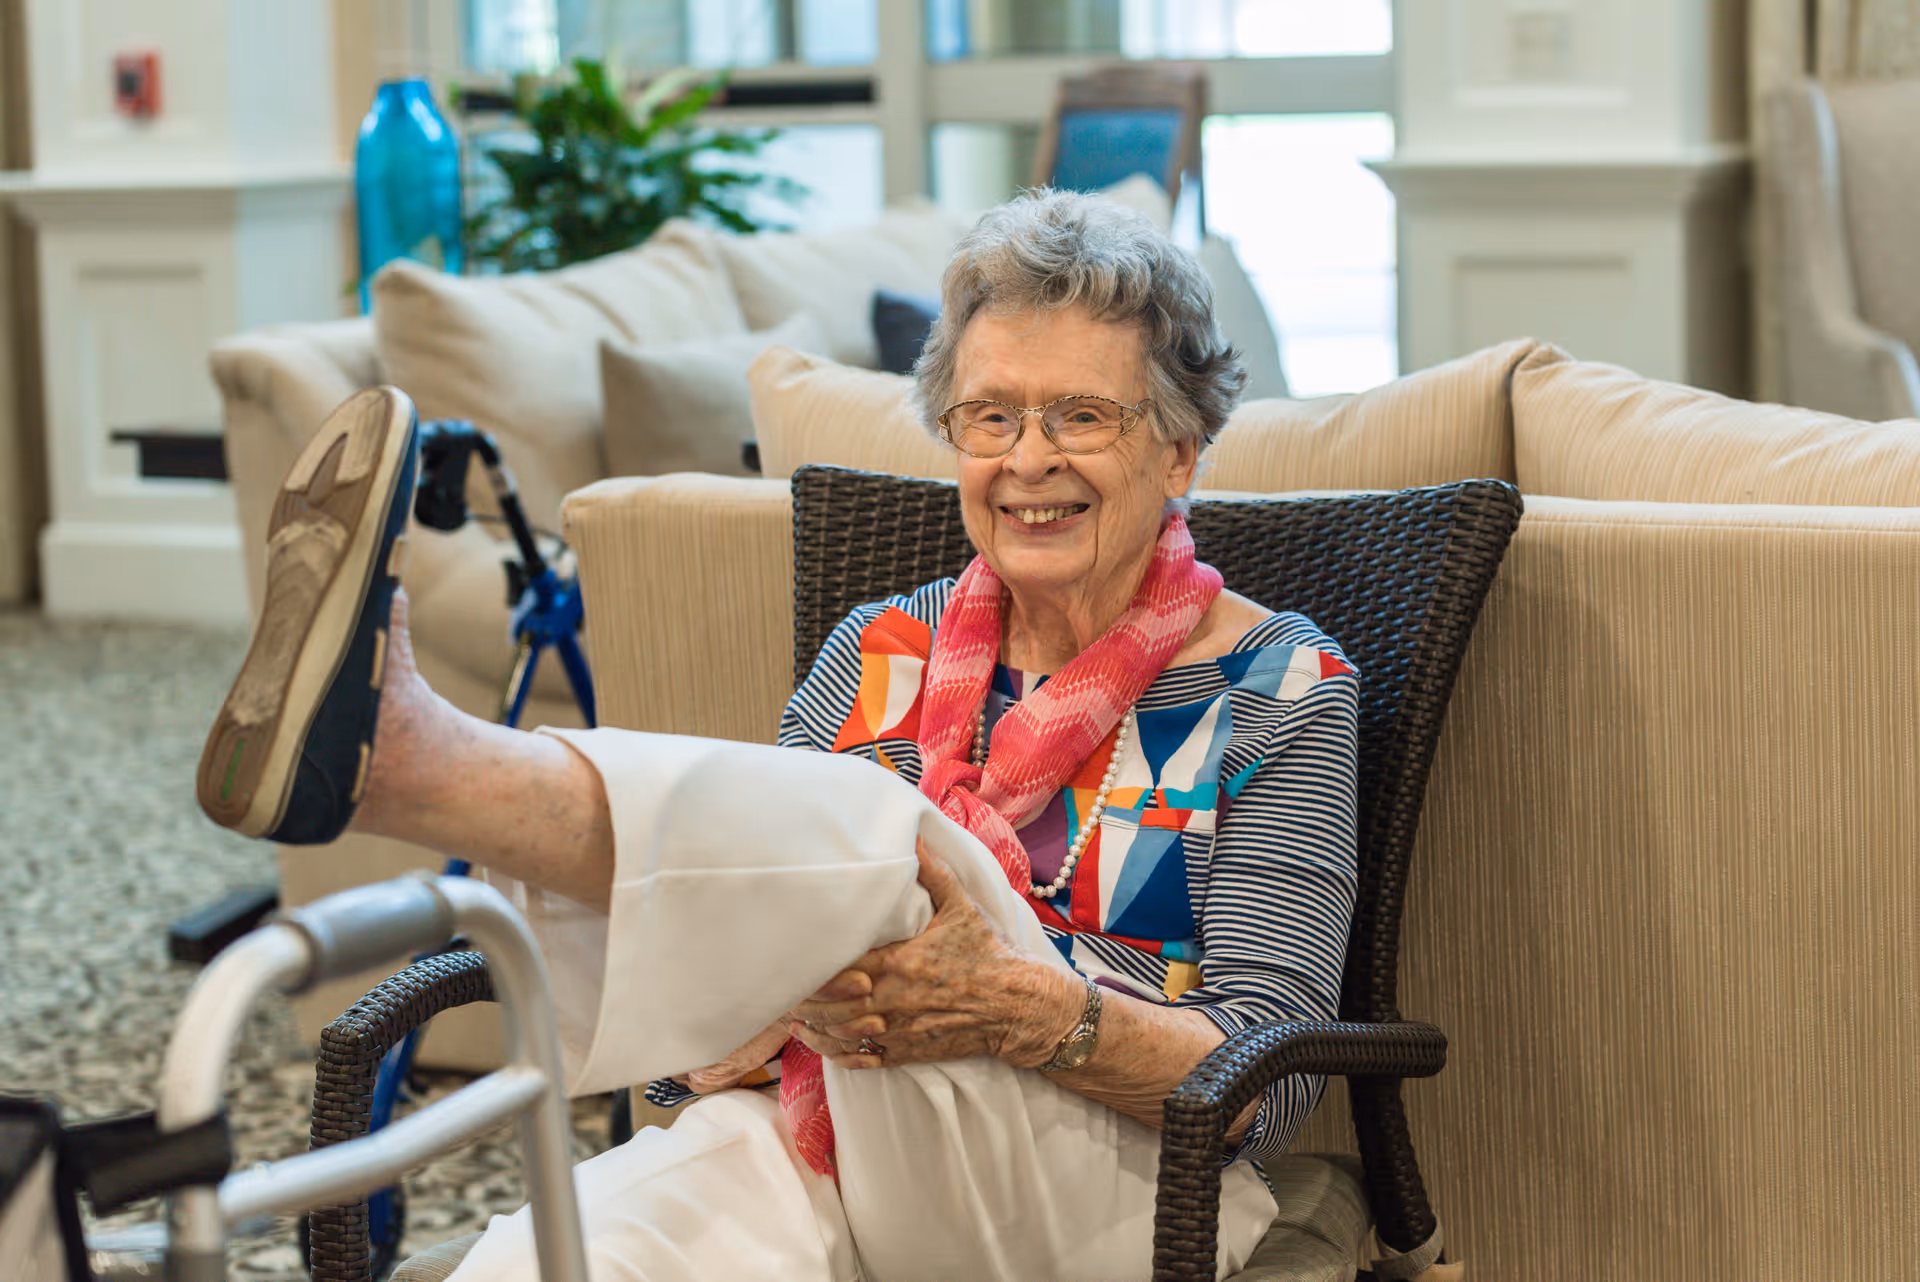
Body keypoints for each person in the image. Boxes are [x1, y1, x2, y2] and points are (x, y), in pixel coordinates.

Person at [197, 189, 1361, 1281]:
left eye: (1084, 416)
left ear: (1178, 449)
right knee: (556, 1252)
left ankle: (422, 767)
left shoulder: (1281, 687)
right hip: (828, 1119)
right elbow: (733, 934)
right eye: (990, 415)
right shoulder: (881, 647)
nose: (1027, 459)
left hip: (1123, 1189)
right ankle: (411, 760)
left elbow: (1268, 1077)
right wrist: (754, 1012)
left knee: (901, 867)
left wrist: (1017, 1002)